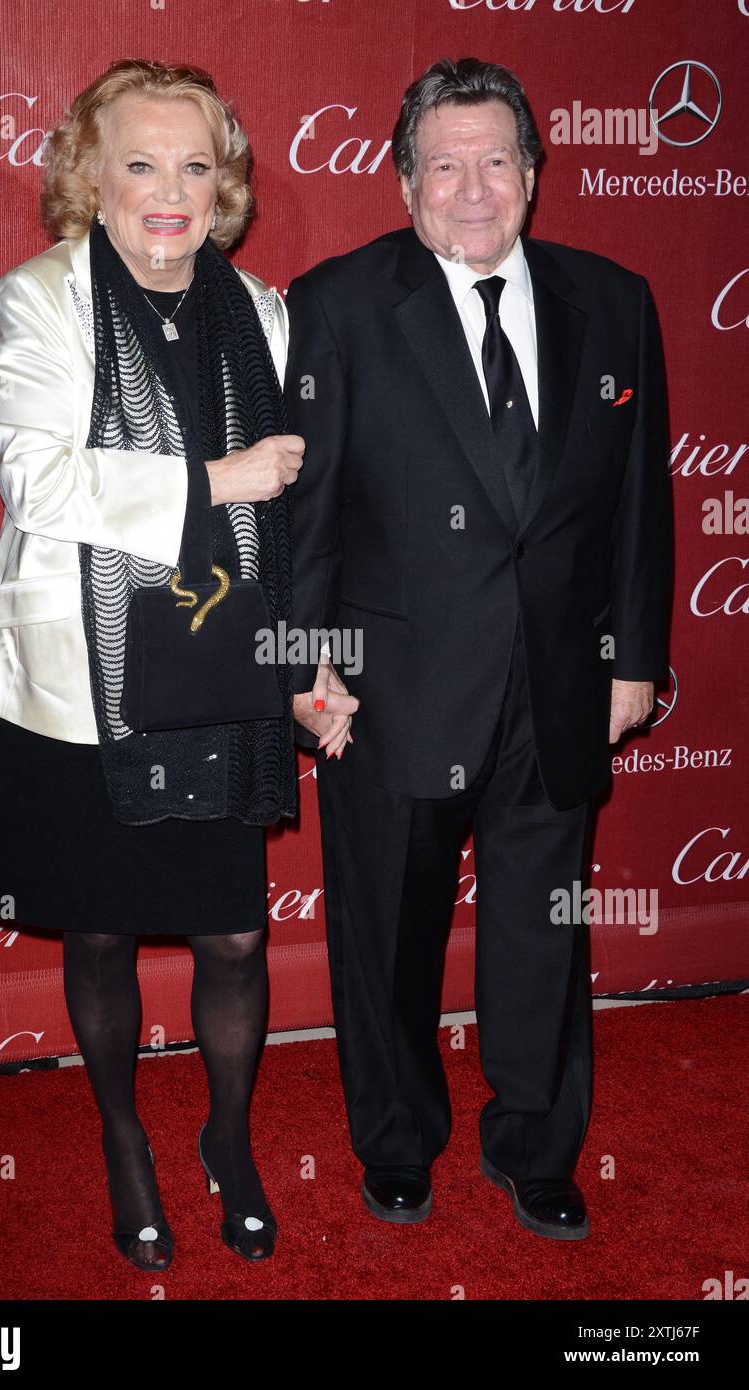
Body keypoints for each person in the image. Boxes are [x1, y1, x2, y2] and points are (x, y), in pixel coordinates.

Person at [286, 56, 673, 1240]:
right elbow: (304, 515)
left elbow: (640, 504)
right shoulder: (340, 303)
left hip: (556, 684)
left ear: (534, 175)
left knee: (542, 926)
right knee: (387, 935)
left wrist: (632, 661)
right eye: (442, 165)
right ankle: (396, 1140)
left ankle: (536, 1142)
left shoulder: (614, 299)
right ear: (403, 183)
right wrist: (312, 662)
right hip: (394, 691)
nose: (470, 188)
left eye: (494, 160)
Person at [0, 59, 304, 1270]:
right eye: (142, 163)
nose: (171, 190)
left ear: (226, 185)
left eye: (196, 164)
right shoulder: (40, 297)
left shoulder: (260, 311)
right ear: (91, 181)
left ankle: (226, 1135)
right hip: (79, 686)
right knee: (100, 936)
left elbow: (292, 523)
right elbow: (38, 484)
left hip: (218, 673)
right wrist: (215, 479)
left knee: (232, 940)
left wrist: (303, 657)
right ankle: (122, 1140)